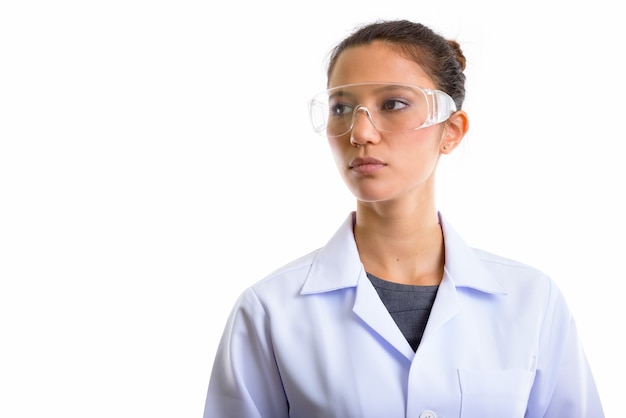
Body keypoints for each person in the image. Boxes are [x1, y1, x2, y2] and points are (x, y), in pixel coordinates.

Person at [202, 19, 604, 417]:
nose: (359, 132)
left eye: (393, 104)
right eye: (341, 107)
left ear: (452, 131)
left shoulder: (532, 301)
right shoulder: (269, 311)